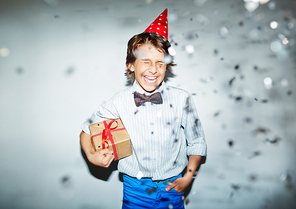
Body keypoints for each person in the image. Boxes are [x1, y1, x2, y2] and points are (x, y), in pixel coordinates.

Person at [80, 9, 207, 209]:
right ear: (131, 65)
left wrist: (188, 178)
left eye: (160, 63)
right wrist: (91, 155)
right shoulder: (119, 101)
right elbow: (86, 131)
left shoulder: (183, 99)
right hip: (135, 187)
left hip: (173, 185)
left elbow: (197, 141)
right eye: (145, 62)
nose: (154, 69)